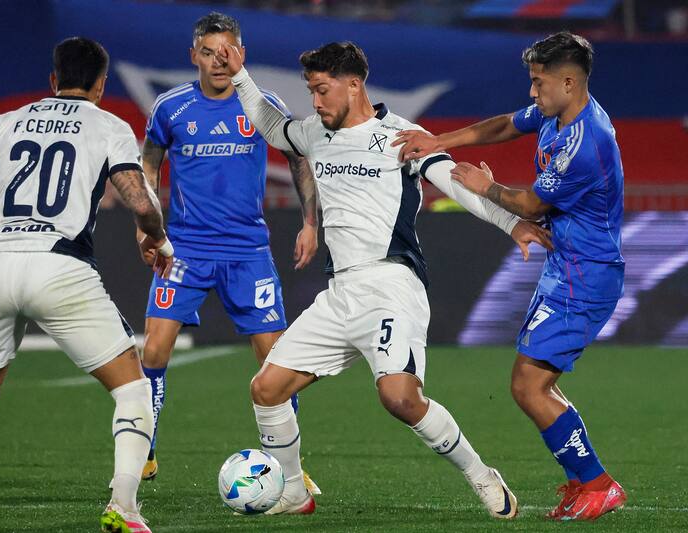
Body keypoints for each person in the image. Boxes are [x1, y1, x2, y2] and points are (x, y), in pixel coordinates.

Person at [216, 40, 554, 517]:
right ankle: (293, 491)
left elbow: (454, 182)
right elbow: (273, 128)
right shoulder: (315, 132)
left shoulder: (400, 135)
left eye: (322, 89)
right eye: (311, 91)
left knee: (399, 397)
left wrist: (511, 223)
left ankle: (481, 474)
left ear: (354, 85)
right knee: (266, 390)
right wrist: (240, 76)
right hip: (340, 293)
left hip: (391, 285)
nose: (315, 101)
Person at [0, 37, 173, 533]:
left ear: (53, 79)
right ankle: (124, 506)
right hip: (60, 267)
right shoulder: (108, 125)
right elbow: (141, 202)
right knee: (133, 390)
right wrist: (158, 239)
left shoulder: (6, 122)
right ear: (101, 85)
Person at [394, 31, 626, 521]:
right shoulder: (556, 112)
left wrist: (486, 185)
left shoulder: (586, 141)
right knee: (535, 384)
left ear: (569, 82)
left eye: (539, 83)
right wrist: (439, 141)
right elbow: (505, 124)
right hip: (567, 266)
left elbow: (532, 205)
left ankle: (598, 484)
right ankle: (584, 481)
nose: (532, 92)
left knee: (528, 385)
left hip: (586, 274)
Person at [138, 11, 319, 492]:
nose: (218, 62)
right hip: (184, 250)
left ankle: (290, 466)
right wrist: (146, 224)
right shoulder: (171, 107)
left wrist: (310, 222)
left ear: (241, 54)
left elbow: (299, 159)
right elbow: (149, 163)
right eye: (208, 52)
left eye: (227, 52)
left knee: (276, 363)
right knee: (153, 350)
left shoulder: (261, 103)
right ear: (192, 55)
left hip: (247, 252)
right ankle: (144, 451)